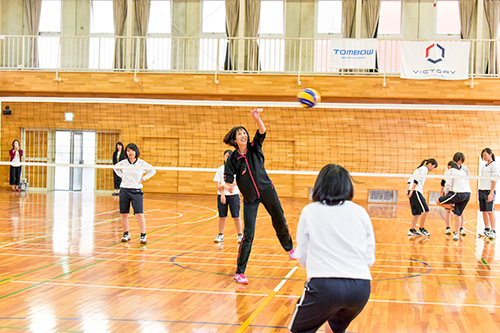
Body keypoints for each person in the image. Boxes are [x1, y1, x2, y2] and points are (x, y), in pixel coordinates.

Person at [289, 164, 375, 333]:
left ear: (320, 184)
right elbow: (369, 256)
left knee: (297, 330)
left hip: (325, 286)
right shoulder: (360, 211)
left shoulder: (309, 211)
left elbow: (303, 255)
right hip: (360, 288)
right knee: (334, 329)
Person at [223, 108, 296, 284]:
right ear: (234, 139)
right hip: (249, 198)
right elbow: (228, 177)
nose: (243, 136)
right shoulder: (233, 159)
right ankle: (240, 272)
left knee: (279, 217)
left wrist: (257, 118)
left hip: (267, 190)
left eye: (245, 133)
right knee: (248, 234)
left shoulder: (255, 147)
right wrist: (228, 184)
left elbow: (262, 132)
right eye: (240, 134)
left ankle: (290, 249)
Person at [113, 143, 156, 245]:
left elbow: (153, 170)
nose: (130, 153)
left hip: (136, 191)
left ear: (136, 151)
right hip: (124, 190)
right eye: (128, 151)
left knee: (139, 214)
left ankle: (143, 235)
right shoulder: (123, 163)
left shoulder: (141, 163)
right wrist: (121, 175)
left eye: (132, 151)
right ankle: (126, 234)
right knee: (124, 214)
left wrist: (143, 178)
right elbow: (115, 167)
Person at [213, 149, 243, 244]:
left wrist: (227, 186)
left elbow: (236, 182)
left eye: (230, 156)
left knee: (236, 217)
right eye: (226, 156)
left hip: (234, 195)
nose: (228, 157)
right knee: (222, 217)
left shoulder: (237, 169)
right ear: (224, 157)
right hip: (222, 195)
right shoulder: (220, 169)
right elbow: (218, 185)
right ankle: (220, 235)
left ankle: (240, 235)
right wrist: (222, 194)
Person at [436, 161, 471, 241]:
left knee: (438, 201)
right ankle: (456, 234)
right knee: (458, 214)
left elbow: (447, 184)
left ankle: (454, 209)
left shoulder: (450, 171)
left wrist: (446, 194)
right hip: (468, 194)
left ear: (449, 166)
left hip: (458, 193)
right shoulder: (462, 172)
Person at [407, 158, 438, 237]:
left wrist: (408, 190)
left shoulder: (418, 169)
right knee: (426, 210)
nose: (433, 169)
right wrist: (411, 191)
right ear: (430, 164)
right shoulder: (424, 169)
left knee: (416, 213)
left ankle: (412, 230)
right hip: (416, 191)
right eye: (433, 167)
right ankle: (421, 228)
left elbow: (409, 180)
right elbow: (416, 180)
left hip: (413, 191)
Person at [478, 148, 498, 240]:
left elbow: (494, 180)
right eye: (483, 155)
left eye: (485, 155)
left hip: (488, 191)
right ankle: (486, 229)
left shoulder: (494, 165)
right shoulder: (483, 166)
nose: (484, 157)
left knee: (490, 211)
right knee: (484, 211)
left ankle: (493, 231)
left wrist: (491, 193)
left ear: (490, 154)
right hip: (481, 190)